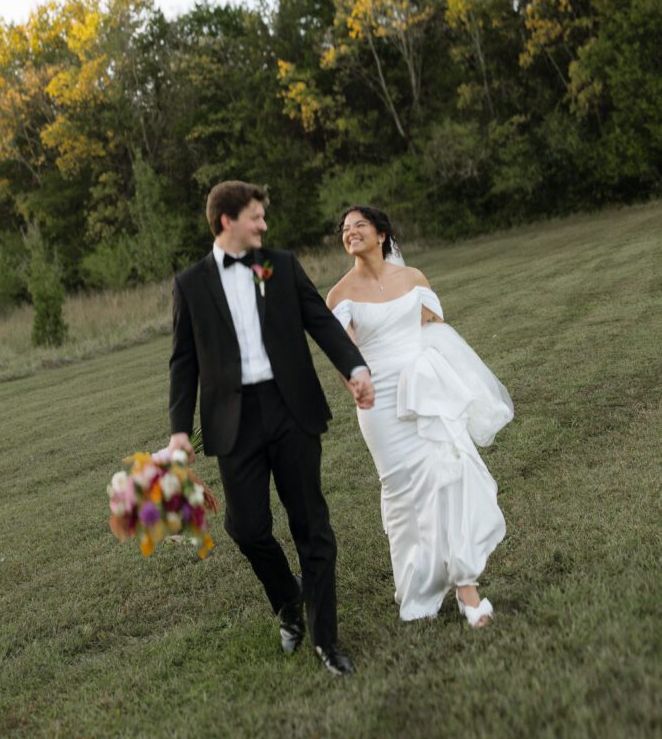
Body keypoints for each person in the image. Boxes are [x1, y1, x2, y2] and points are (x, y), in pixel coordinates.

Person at [164, 181, 375, 676]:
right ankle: (288, 598)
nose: (263, 225)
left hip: (291, 409)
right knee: (248, 527)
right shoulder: (190, 284)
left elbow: (319, 321)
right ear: (226, 222)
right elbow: (183, 361)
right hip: (233, 422)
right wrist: (178, 430)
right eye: (255, 217)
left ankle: (325, 640)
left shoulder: (277, 264)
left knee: (311, 525)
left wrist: (355, 367)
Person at [327, 205, 513, 627]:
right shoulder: (340, 295)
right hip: (378, 404)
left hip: (422, 394)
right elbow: (345, 357)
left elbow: (434, 332)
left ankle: (467, 590)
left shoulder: (414, 280)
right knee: (401, 493)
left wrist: (438, 381)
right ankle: (418, 588)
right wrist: (358, 387)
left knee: (445, 476)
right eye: (345, 229)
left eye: (360, 226)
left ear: (381, 234)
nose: (350, 233)